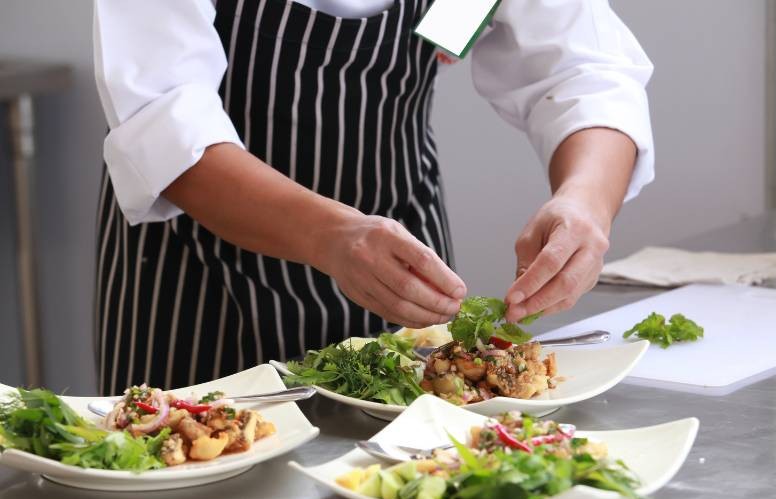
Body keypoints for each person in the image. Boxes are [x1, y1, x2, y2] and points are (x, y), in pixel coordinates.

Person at [93, 0, 654, 395]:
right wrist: (331, 237)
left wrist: (585, 202)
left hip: (405, 240)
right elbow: (162, 120)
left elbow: (585, 67)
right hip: (202, 274)